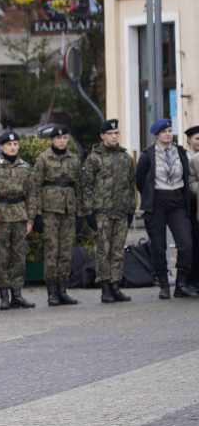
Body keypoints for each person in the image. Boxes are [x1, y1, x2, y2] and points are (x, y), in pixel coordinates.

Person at [135, 118, 196, 299]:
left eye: (170, 130)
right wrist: (150, 197)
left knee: (186, 244)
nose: (168, 134)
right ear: (157, 135)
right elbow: (140, 180)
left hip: (177, 200)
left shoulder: (179, 152)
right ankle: (163, 285)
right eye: (164, 132)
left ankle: (181, 284)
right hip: (157, 201)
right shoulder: (148, 155)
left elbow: (186, 175)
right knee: (158, 245)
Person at [28, 125, 84, 306]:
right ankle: (52, 291)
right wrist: (36, 215)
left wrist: (79, 214)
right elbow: (35, 187)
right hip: (49, 211)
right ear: (52, 139)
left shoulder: (74, 159)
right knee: (51, 251)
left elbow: (79, 188)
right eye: (59, 138)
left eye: (65, 138)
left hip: (68, 211)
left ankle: (63, 289)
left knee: (66, 252)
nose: (62, 141)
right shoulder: (43, 159)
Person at [82, 120, 136, 303]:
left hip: (120, 212)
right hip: (102, 212)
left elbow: (130, 185)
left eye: (116, 133)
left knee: (118, 251)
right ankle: (105, 286)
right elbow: (87, 186)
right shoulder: (94, 158)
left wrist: (131, 209)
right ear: (102, 136)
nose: (114, 137)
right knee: (103, 251)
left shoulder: (126, 158)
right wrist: (89, 213)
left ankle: (115, 284)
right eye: (110, 134)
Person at [0, 130, 35, 310]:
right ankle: (4, 295)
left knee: (19, 256)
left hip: (20, 215)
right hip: (1, 216)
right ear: (1, 147)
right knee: (1, 257)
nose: (13, 147)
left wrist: (30, 219)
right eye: (9, 145)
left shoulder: (25, 167)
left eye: (15, 144)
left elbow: (32, 195)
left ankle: (17, 294)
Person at [185, 125, 199, 292]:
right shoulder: (187, 158)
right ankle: (191, 279)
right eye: (196, 138)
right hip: (191, 206)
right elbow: (190, 182)